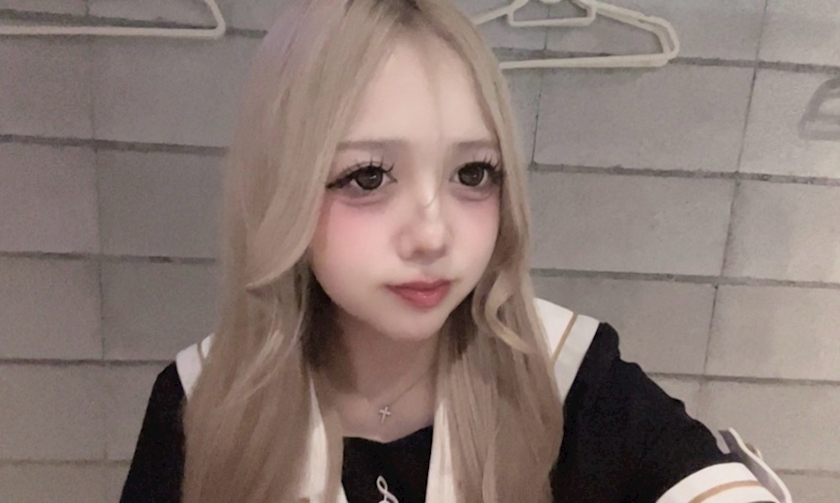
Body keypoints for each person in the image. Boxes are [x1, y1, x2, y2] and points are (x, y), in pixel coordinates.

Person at [120, 0, 786, 502]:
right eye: (368, 177)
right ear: (281, 187)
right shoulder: (202, 401)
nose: (434, 234)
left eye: (473, 173)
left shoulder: (566, 375)